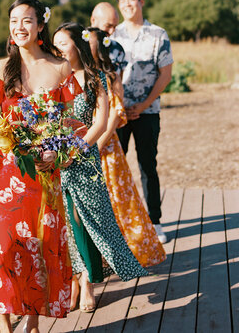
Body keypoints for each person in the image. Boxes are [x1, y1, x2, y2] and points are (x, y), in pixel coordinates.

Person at [0, 0, 82, 333]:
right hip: (7, 173)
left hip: (44, 173)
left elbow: (71, 124)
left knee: (38, 245)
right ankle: (4, 323)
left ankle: (34, 322)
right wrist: (12, 144)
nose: (18, 27)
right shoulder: (0, 68)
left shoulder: (60, 67)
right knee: (6, 246)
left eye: (26, 20)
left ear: (40, 26)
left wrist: (57, 152)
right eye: (13, 21)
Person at [53, 22, 148, 313]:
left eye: (62, 44)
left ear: (77, 47)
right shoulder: (53, 79)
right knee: (68, 223)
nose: (56, 50)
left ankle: (89, 282)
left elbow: (101, 121)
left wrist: (77, 149)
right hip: (55, 161)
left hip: (84, 160)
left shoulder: (95, 78)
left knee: (92, 220)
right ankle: (76, 281)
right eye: (53, 45)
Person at [87, 26, 166, 266]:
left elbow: (115, 113)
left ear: (98, 47)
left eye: (88, 42)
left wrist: (97, 144)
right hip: (87, 146)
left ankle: (130, 251)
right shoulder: (79, 74)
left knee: (119, 199)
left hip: (106, 147)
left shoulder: (111, 75)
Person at [113, 0, 173, 244]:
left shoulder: (158, 34)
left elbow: (166, 74)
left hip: (149, 112)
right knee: (118, 168)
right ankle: (121, 223)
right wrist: (121, 105)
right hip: (119, 113)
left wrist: (145, 103)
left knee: (148, 166)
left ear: (141, 1)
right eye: (122, 1)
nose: (127, 4)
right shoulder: (112, 36)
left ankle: (155, 222)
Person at [90, 1, 126, 76]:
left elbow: (118, 82)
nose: (111, 31)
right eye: (108, 26)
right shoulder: (77, 46)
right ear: (93, 20)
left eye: (114, 27)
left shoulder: (117, 49)